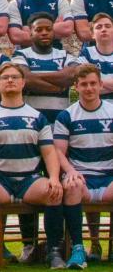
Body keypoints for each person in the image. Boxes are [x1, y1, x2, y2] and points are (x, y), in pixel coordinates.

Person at [0, 63, 65, 270]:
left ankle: (54, 252)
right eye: (5, 78)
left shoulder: (38, 117)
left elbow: (49, 152)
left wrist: (54, 177)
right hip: (0, 179)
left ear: (23, 83)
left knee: (54, 192)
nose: (10, 81)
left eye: (14, 77)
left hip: (29, 179)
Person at [54, 64, 113, 270]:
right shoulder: (66, 116)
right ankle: (78, 248)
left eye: (93, 84)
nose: (89, 88)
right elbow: (59, 152)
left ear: (101, 85)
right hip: (82, 177)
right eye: (84, 84)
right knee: (71, 185)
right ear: (76, 87)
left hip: (108, 177)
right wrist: (70, 171)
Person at [11, 13, 78, 124]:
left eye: (48, 29)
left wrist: (34, 76)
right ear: (31, 33)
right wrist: (57, 87)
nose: (44, 33)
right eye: (39, 30)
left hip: (60, 120)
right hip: (29, 120)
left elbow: (71, 75)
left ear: (53, 32)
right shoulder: (20, 55)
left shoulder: (65, 54)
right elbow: (27, 80)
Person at [77, 13, 113, 102]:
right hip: (95, 110)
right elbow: (86, 87)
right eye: (99, 27)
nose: (104, 29)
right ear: (92, 34)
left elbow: (92, 86)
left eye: (108, 26)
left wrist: (96, 82)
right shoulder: (86, 54)